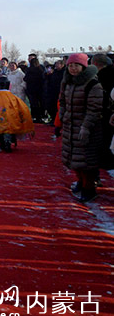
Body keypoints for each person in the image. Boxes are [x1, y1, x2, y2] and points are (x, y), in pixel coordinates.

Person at [59, 53, 104, 203]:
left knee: (87, 161)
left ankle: (89, 188)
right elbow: (62, 100)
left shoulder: (92, 84)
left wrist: (86, 127)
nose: (72, 68)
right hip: (70, 125)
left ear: (83, 67)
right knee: (73, 159)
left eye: (76, 65)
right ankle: (80, 181)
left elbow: (94, 109)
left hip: (87, 127)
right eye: (70, 65)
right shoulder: (68, 82)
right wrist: (62, 115)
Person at [0, 76, 34, 153]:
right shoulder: (14, 98)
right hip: (12, 123)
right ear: (9, 85)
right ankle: (8, 141)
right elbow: (24, 110)